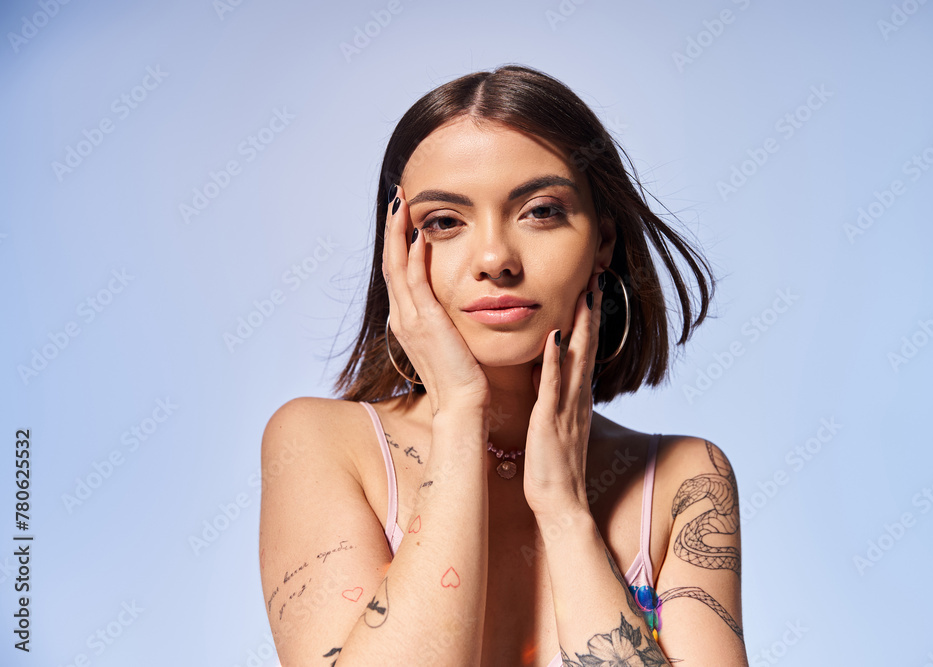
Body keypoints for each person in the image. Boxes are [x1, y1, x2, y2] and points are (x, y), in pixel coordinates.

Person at [259, 64, 748, 667]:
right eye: (443, 222)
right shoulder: (322, 444)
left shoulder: (683, 480)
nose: (494, 258)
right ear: (398, 250)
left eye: (541, 211)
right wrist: (460, 414)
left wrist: (567, 511)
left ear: (603, 240)